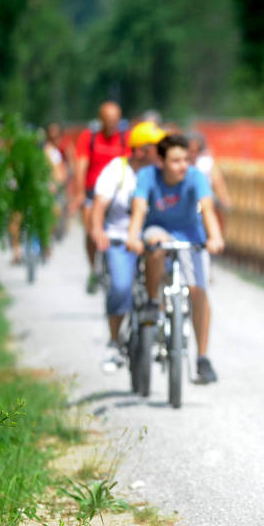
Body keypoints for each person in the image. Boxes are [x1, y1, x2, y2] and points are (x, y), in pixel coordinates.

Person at [127, 134, 226, 384]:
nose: (182, 165)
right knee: (156, 246)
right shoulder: (147, 176)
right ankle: (152, 299)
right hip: (158, 229)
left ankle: (202, 359)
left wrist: (214, 237)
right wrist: (132, 236)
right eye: (175, 160)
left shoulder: (195, 176)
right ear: (161, 161)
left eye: (185, 159)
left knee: (198, 291)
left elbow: (207, 209)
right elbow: (139, 209)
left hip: (191, 235)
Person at [90, 121, 166, 373]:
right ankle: (114, 342)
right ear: (141, 150)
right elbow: (99, 205)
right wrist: (98, 231)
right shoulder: (117, 171)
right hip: (120, 239)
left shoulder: (161, 172)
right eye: (157, 146)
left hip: (151, 239)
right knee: (121, 287)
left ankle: (164, 332)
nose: (163, 150)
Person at [74, 102, 130, 294]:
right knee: (91, 230)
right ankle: (94, 269)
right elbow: (81, 165)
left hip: (116, 193)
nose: (112, 123)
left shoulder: (124, 138)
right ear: (101, 119)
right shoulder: (89, 138)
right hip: (93, 190)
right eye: (108, 119)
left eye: (115, 119)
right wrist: (80, 192)